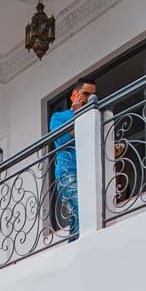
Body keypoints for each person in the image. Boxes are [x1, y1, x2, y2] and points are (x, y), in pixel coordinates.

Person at [49, 78, 97, 240]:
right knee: (81, 209)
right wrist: (77, 114)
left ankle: (75, 248)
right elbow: (61, 140)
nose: (88, 98)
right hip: (68, 171)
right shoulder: (59, 116)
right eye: (85, 94)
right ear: (74, 95)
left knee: (81, 214)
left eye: (92, 95)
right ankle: (79, 248)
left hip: (90, 171)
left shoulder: (94, 116)